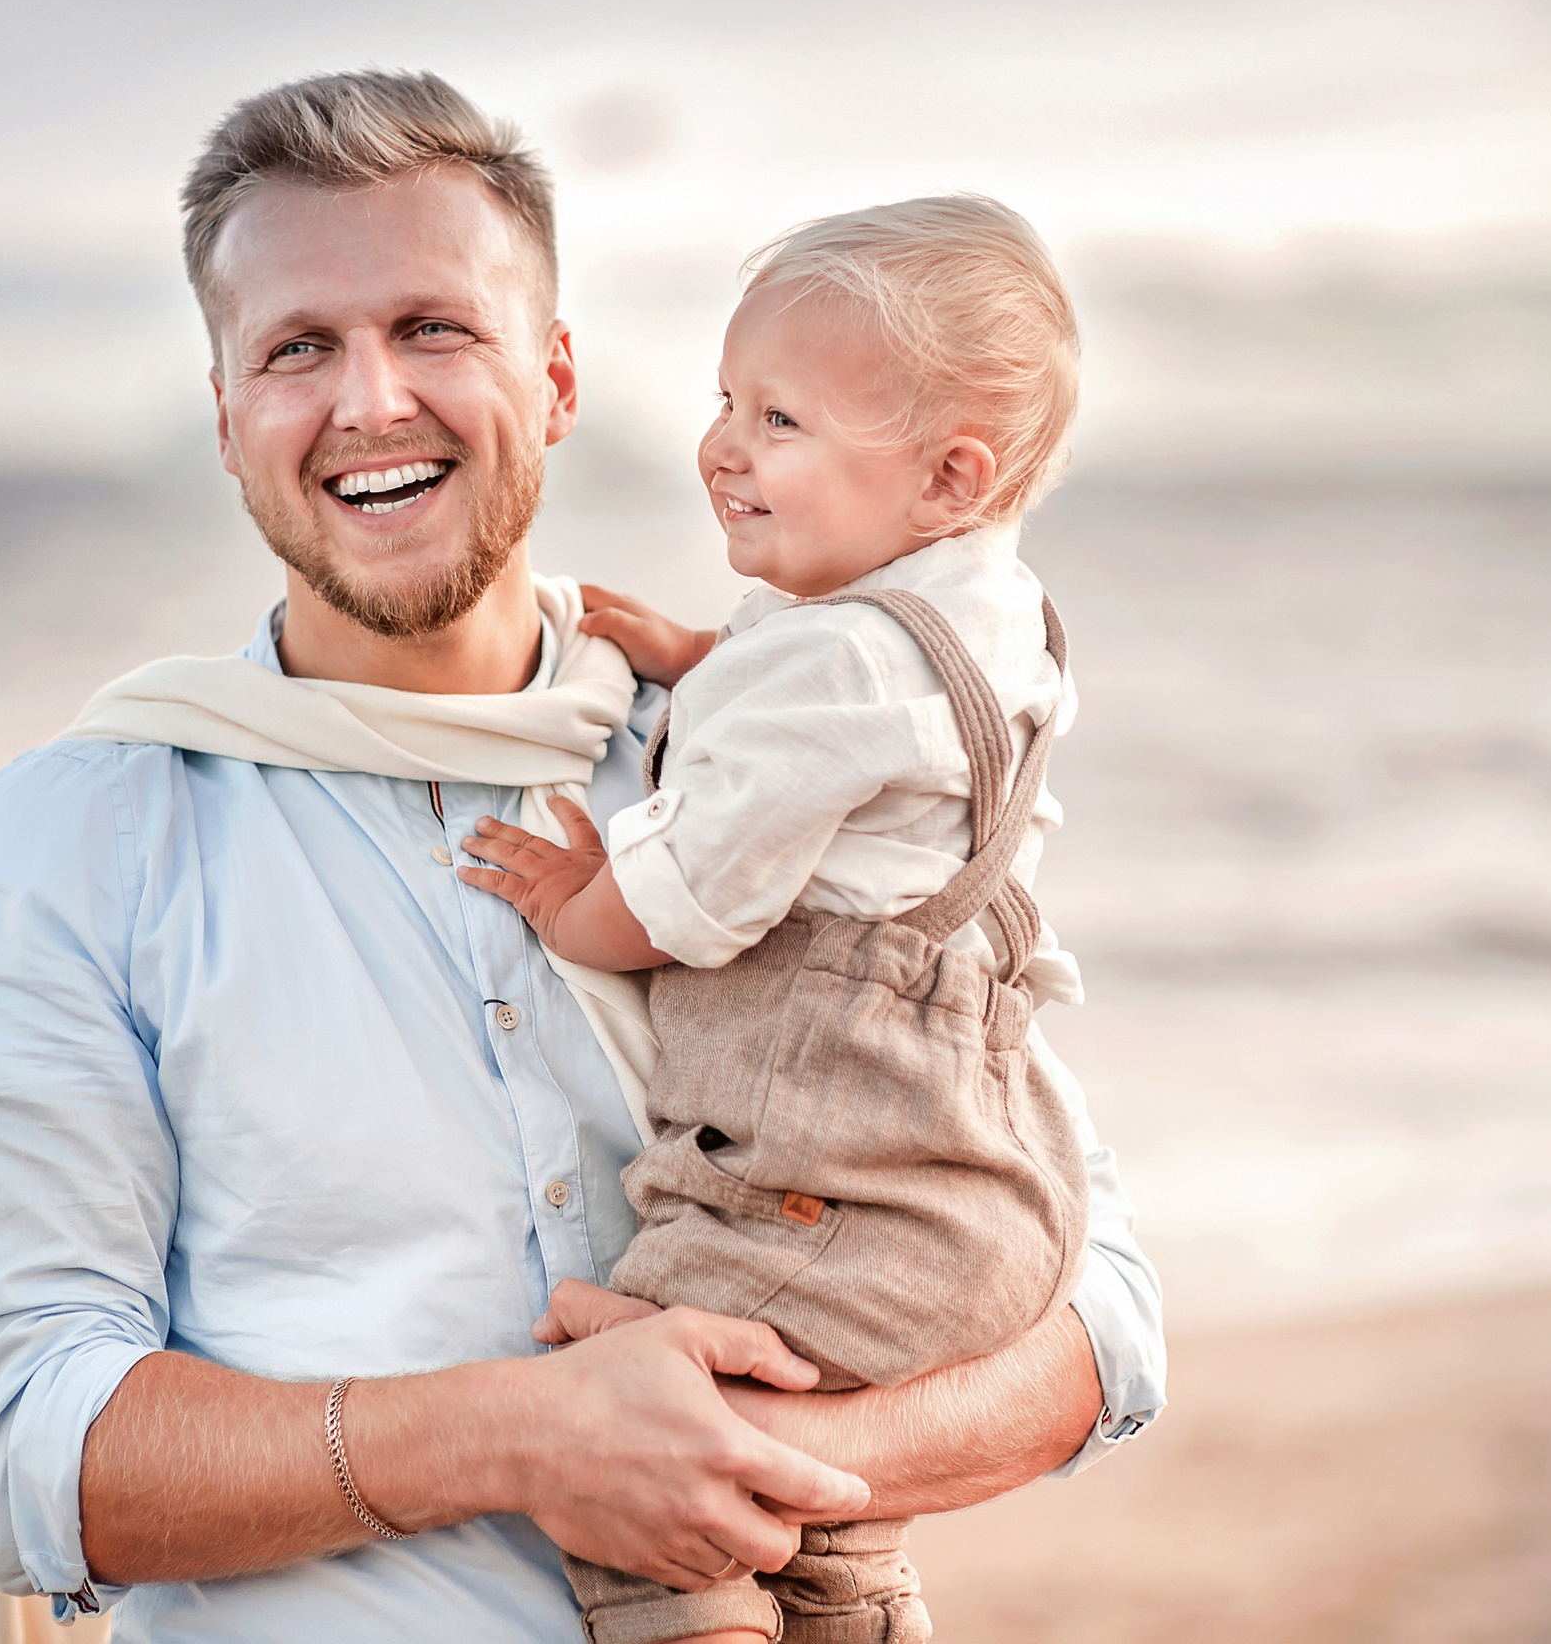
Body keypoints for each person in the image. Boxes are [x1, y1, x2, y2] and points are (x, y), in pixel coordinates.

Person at [0, 70, 1164, 1644]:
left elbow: (1099, 1304)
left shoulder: (757, 750)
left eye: (435, 327)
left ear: (556, 376)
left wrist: (754, 1472)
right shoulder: (68, 845)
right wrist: (521, 1436)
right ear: (226, 418)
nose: (371, 402)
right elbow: (26, 1450)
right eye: (298, 347)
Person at [459, 195, 1093, 1644]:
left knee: (618, 1412)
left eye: (783, 421)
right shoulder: (988, 615)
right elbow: (868, 729)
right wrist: (702, 662)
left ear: (949, 474)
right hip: (975, 1181)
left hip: (840, 1186)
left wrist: (574, 903)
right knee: (823, 1522)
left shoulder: (834, 680)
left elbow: (690, 900)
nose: (724, 447)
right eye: (727, 402)